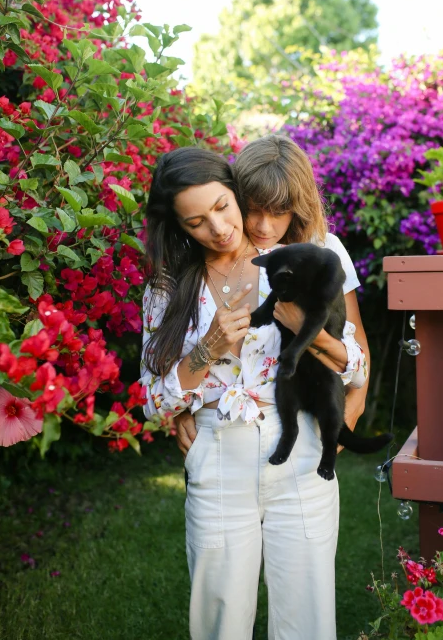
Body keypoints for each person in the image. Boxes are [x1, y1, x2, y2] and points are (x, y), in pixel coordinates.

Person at [140, 142, 368, 640]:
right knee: (220, 619)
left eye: (223, 207)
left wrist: (336, 408)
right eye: (196, 221)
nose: (219, 228)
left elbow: (355, 365)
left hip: (301, 451)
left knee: (307, 617)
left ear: (235, 192)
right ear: (178, 226)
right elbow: (154, 402)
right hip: (219, 457)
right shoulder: (167, 287)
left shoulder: (298, 261)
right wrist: (206, 351)